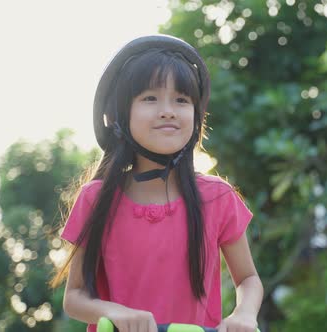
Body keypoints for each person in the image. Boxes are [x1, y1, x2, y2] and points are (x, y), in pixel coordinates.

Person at [50, 34, 263, 332]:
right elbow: (75, 297)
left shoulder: (217, 197)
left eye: (181, 100)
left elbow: (248, 279)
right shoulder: (96, 199)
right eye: (150, 98)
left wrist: (244, 314)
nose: (168, 110)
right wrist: (115, 312)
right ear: (120, 116)